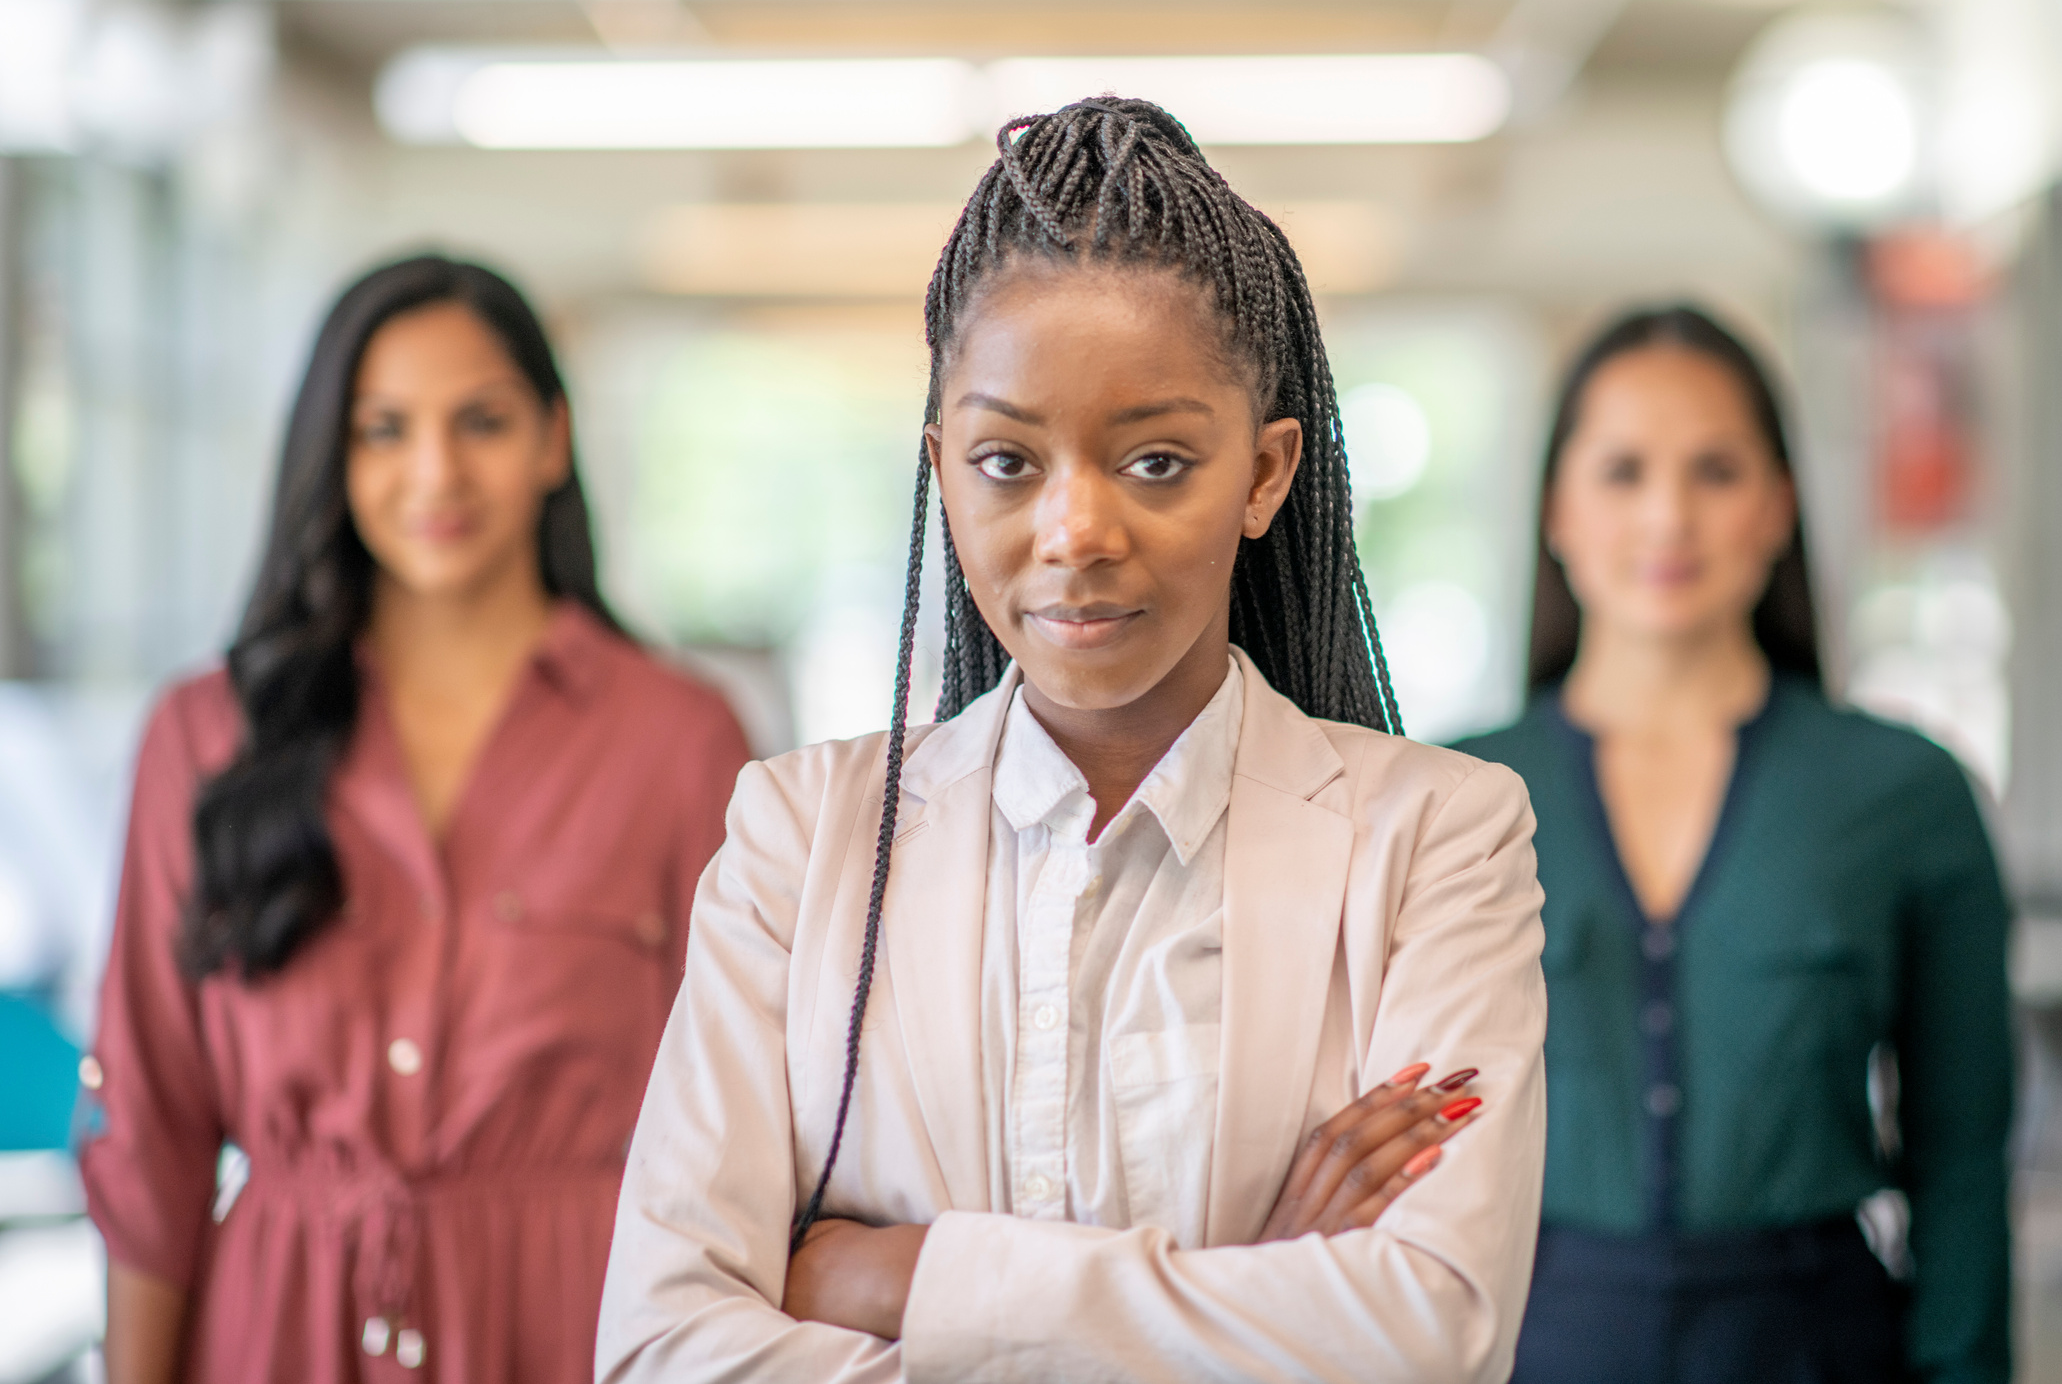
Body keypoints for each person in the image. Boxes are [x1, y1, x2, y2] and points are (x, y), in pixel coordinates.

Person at [597, 98, 1547, 1384]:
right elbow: (663, 1348)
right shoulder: (799, 838)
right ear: (941, 468)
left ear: (1265, 473)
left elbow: (1431, 1330)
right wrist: (1254, 1291)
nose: (1074, 531)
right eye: (1006, 460)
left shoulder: (1439, 834)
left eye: (1156, 461)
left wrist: (896, 1277)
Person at [80, 256, 753, 1384]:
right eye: (383, 429)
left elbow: (746, 1133)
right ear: (330, 457)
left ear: (552, 437)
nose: (434, 470)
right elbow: (149, 1136)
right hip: (275, 1332)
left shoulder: (681, 741)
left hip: (581, 1328)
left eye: (480, 420)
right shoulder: (204, 738)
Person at [1454, 307, 2012, 1384]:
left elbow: (1962, 1156)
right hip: (1523, 1345)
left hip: (1814, 1345)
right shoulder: (1448, 793)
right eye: (1621, 470)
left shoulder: (1905, 791)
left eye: (1713, 469)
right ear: (1557, 508)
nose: (1667, 515)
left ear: (1777, 506)